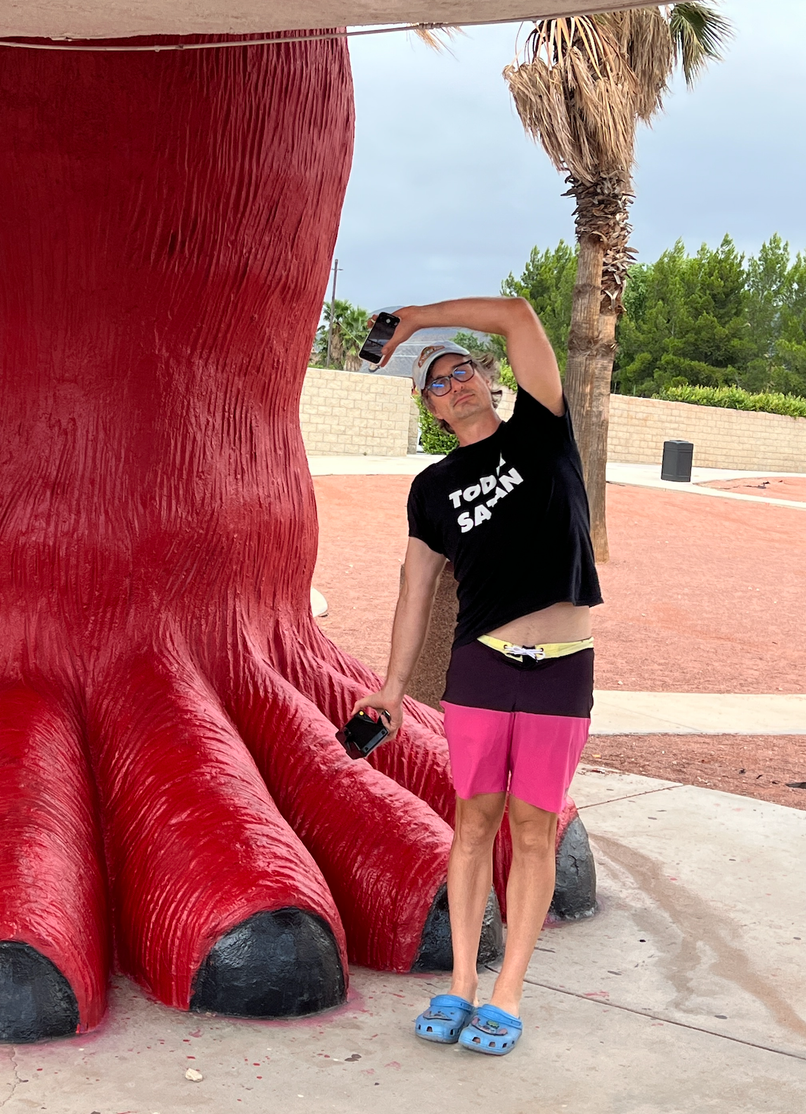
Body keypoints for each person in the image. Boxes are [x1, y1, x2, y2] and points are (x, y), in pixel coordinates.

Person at [354, 296, 601, 1057]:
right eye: (438, 381)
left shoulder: (542, 428)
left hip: (561, 671)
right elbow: (415, 591)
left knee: (533, 830)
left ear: (490, 380)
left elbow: (521, 315)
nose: (455, 382)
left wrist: (417, 321)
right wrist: (392, 688)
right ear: (429, 410)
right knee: (473, 826)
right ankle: (462, 981)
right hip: (482, 668)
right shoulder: (433, 489)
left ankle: (508, 993)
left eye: (464, 369)